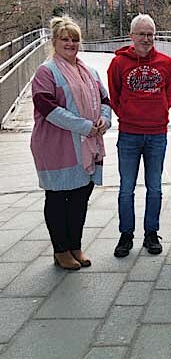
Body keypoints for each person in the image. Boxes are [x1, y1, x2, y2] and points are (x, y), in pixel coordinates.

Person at [31, 16, 111, 270]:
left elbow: (105, 100)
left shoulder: (90, 71)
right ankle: (61, 250)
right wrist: (86, 127)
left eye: (74, 39)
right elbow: (48, 108)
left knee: (80, 196)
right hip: (56, 146)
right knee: (57, 197)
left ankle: (75, 245)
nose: (70, 43)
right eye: (65, 39)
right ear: (54, 42)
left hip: (87, 144)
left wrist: (104, 121)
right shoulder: (46, 72)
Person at [107, 14, 171, 258]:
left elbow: (169, 97)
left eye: (150, 34)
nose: (146, 39)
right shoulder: (118, 64)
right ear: (132, 36)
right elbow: (114, 96)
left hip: (157, 134)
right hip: (129, 134)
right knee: (126, 188)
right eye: (141, 34)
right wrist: (128, 113)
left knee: (155, 187)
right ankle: (126, 234)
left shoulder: (166, 64)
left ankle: (151, 232)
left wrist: (155, 113)